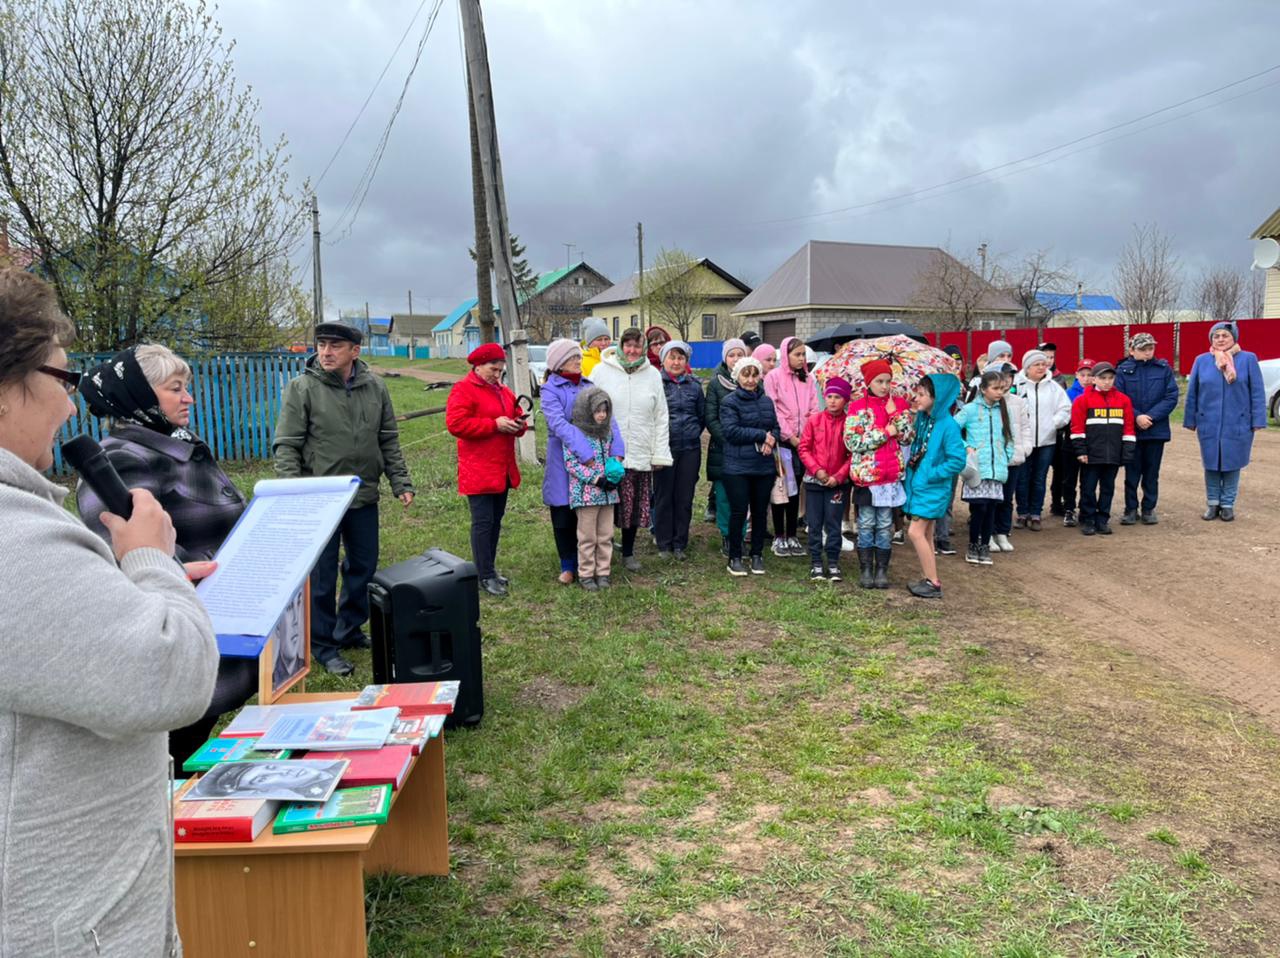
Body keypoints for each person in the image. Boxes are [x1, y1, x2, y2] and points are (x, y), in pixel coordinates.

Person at [0, 267, 218, 956]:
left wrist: (140, 586)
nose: (72, 407)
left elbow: (56, 633)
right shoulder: (12, 540)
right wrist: (150, 559)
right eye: (63, 379)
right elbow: (170, 674)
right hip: (66, 928)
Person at [76, 344, 255, 764]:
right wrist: (208, 567)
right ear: (138, 397)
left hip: (213, 618)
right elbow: (135, 552)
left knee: (193, 742)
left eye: (186, 388)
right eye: (175, 389)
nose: (188, 398)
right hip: (174, 634)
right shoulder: (120, 459)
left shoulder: (175, 443)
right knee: (173, 751)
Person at [274, 320, 415, 676]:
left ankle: (349, 628)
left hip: (363, 494)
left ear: (355, 351)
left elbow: (388, 439)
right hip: (319, 499)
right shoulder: (302, 388)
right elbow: (287, 445)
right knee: (321, 576)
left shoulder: (375, 387)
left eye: (335, 346)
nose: (325, 352)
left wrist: (400, 481)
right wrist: (293, 492)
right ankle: (323, 644)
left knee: (363, 567)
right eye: (322, 345)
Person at [445, 342, 530, 596]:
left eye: (500, 370)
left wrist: (518, 425)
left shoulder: (503, 391)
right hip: (479, 470)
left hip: (502, 469)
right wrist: (494, 425)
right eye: (493, 369)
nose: (497, 374)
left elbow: (516, 415)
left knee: (495, 522)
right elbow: (456, 424)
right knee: (483, 523)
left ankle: (490, 568)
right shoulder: (464, 390)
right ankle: (484, 575)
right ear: (478, 366)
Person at [589, 329, 671, 572]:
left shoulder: (652, 374)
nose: (632, 351)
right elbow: (586, 406)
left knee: (633, 506)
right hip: (607, 450)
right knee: (603, 504)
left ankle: (628, 552)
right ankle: (599, 550)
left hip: (639, 448)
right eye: (628, 345)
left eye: (637, 346)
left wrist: (659, 452)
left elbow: (661, 415)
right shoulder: (601, 371)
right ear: (621, 346)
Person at [1183, 321, 1267, 522]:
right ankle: (1213, 504)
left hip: (1238, 422)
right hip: (1209, 422)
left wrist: (1257, 419)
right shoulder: (1202, 361)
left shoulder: (1248, 359)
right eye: (1216, 336)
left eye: (1225, 335)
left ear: (1233, 338)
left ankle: (1228, 504)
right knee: (1211, 463)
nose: (1220, 339)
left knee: (1232, 463)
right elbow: (1193, 392)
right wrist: (1190, 419)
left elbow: (1256, 392)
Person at [844, 359, 913, 589]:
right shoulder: (858, 407)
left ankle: (882, 569)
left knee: (884, 523)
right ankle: (865, 568)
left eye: (888, 381)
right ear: (869, 382)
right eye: (879, 381)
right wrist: (885, 433)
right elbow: (852, 441)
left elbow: (907, 437)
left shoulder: (898, 404)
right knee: (865, 522)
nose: (884, 386)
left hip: (890, 475)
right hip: (867, 476)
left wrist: (895, 415)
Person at [903, 374, 967, 599]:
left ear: (936, 398)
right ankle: (929, 577)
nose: (917, 398)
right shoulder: (923, 419)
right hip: (921, 485)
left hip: (933, 487)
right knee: (927, 534)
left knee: (915, 532)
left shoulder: (948, 425)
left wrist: (932, 473)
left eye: (922, 395)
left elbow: (957, 460)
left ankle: (933, 583)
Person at [720, 356, 780, 576]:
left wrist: (771, 439)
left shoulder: (766, 402)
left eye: (754, 375)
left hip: (763, 466)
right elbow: (731, 431)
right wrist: (762, 436)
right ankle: (735, 556)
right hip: (737, 466)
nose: (750, 380)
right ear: (737, 377)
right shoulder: (729, 402)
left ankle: (757, 554)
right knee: (738, 511)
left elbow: (776, 427)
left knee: (760, 512)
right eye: (746, 375)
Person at [1113, 332, 1180, 526]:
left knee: (1151, 473)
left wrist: (1150, 417)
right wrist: (1137, 416)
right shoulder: (1121, 371)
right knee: (1132, 473)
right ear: (1132, 350)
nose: (1148, 352)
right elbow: (1118, 397)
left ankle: (1149, 508)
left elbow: (1171, 396)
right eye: (1143, 349)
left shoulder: (1163, 370)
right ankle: (1130, 509)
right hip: (1131, 430)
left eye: (1150, 348)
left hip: (1156, 430)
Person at [563, 386, 625, 590]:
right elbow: (571, 464)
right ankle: (586, 573)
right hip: (587, 495)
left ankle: (603, 572)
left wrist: (615, 475)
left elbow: (614, 456)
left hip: (608, 494)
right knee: (587, 536)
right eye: (597, 411)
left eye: (605, 411)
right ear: (587, 411)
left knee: (606, 534)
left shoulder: (608, 433)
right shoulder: (575, 434)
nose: (602, 415)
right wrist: (595, 479)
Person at [955, 371, 1015, 566]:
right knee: (979, 508)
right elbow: (952, 429)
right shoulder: (970, 409)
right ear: (983, 389)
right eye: (995, 388)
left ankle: (985, 547)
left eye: (1002, 389)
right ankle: (973, 545)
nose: (999, 392)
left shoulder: (1003, 410)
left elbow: (1010, 436)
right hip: (977, 468)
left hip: (997, 469)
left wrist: (1006, 456)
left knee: (991, 509)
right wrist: (966, 448)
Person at [763, 336, 816, 557]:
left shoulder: (808, 379)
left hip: (803, 442)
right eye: (797, 354)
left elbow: (813, 407)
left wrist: (808, 435)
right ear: (786, 355)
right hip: (783, 442)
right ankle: (779, 536)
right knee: (781, 488)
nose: (801, 358)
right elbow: (773, 409)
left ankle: (792, 534)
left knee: (797, 488)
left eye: (803, 354)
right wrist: (790, 436)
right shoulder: (773, 377)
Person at [1070, 361, 1135, 535]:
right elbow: (1077, 428)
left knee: (1108, 488)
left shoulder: (1124, 400)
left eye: (1110, 378)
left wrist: (1127, 451)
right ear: (1094, 379)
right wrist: (1081, 451)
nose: (1107, 382)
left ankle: (1102, 519)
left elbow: (1128, 428)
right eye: (1102, 378)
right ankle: (1088, 519)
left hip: (1113, 454)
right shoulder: (1082, 400)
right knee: (1088, 488)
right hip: (1091, 454)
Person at [798, 377, 853, 581]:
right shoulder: (814, 421)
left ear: (845, 400)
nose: (832, 401)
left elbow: (852, 454)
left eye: (837, 397)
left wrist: (838, 476)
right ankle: (816, 562)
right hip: (814, 482)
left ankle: (833, 561)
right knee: (814, 523)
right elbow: (804, 448)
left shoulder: (850, 424)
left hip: (837, 484)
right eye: (829, 396)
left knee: (833, 523)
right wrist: (817, 470)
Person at [654, 340, 705, 560]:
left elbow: (701, 416)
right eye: (672, 357)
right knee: (664, 496)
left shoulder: (695, 386)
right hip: (665, 448)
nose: (676, 362)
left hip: (690, 449)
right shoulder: (656, 384)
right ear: (663, 360)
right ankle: (664, 543)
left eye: (680, 358)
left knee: (684, 497)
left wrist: (691, 433)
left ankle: (679, 543)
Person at [1012, 348, 1071, 530]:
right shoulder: (1017, 385)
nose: (1041, 367)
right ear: (1027, 367)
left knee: (1039, 478)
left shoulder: (1054, 387)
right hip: (1023, 441)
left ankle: (1036, 513)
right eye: (1036, 364)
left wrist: (1054, 423)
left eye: (1043, 364)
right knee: (1022, 478)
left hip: (1046, 442)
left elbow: (1065, 408)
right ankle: (1022, 512)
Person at [704, 338, 748, 555]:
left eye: (740, 354)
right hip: (723, 449)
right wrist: (729, 440)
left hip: (747, 449)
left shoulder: (753, 380)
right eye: (732, 355)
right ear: (725, 358)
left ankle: (741, 535)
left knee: (743, 496)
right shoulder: (715, 384)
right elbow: (711, 418)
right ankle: (727, 535)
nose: (736, 359)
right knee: (723, 496)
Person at [990, 361, 1032, 553]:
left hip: (1013, 458)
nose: (1007, 380)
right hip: (992, 459)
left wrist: (1024, 448)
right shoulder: (987, 402)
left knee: (1007, 498)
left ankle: (1002, 532)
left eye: (1010, 376)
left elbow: (1025, 427)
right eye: (1003, 376)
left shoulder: (1018, 402)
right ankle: (989, 532)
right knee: (991, 498)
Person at [1059, 359, 1095, 526]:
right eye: (1083, 375)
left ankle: (1085, 509)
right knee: (1069, 478)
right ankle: (1069, 509)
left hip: (1092, 442)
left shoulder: (1098, 393)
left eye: (1090, 375)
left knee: (1088, 479)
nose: (1086, 379)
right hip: (1071, 441)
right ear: (1076, 375)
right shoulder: (1068, 394)